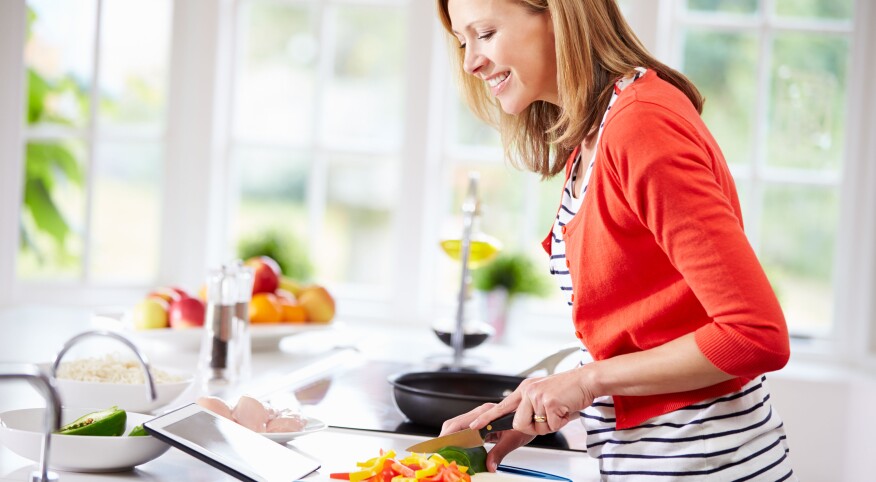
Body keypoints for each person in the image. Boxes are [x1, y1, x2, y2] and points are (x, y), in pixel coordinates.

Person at [435, 1, 796, 480]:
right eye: (463, 41)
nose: (470, 61)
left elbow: (754, 335)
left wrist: (587, 381)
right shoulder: (593, 133)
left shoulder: (640, 126)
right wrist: (535, 403)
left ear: (559, 14)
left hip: (703, 466)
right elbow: (647, 330)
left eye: (484, 33)